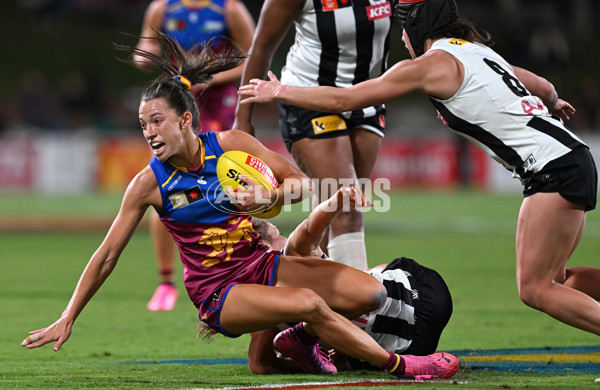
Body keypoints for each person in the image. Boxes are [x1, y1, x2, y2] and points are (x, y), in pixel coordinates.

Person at [20, 31, 460, 382]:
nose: (149, 132)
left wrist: (267, 197)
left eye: (157, 121)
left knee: (372, 293)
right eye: (142, 125)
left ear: (185, 120)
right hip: (218, 292)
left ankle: (298, 342)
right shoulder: (147, 184)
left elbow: (301, 184)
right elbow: (107, 254)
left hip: (261, 265)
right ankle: (401, 368)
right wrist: (68, 315)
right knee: (308, 302)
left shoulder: (229, 147)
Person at [238, 0, 600, 338]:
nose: (400, 36)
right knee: (557, 279)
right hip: (571, 158)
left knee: (537, 290)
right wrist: (553, 102)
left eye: (402, 25)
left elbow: (341, 99)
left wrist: (280, 91)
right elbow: (543, 86)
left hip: (550, 171)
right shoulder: (475, 50)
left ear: (416, 24)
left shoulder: (430, 65)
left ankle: (357, 324)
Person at [233, 0, 396, 271]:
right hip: (307, 98)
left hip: (366, 99)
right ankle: (361, 307)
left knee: (333, 213)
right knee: (347, 204)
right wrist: (243, 117)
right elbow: (261, 45)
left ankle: (303, 300)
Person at [248, 187, 453, 374]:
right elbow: (310, 227)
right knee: (366, 284)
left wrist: (310, 364)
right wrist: (337, 201)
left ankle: (307, 336)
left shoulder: (264, 306)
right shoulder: (290, 258)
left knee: (356, 294)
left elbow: (261, 363)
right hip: (425, 297)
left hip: (408, 343)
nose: (284, 238)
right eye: (278, 234)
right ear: (266, 247)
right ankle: (309, 337)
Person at [134, 0, 256, 311]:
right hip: (175, 103)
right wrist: (143, 58)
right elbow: (145, 46)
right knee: (165, 189)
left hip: (217, 104)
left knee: (228, 186)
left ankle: (241, 266)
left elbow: (253, 56)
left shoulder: (228, 10)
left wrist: (211, 77)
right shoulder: (161, 9)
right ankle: (165, 282)